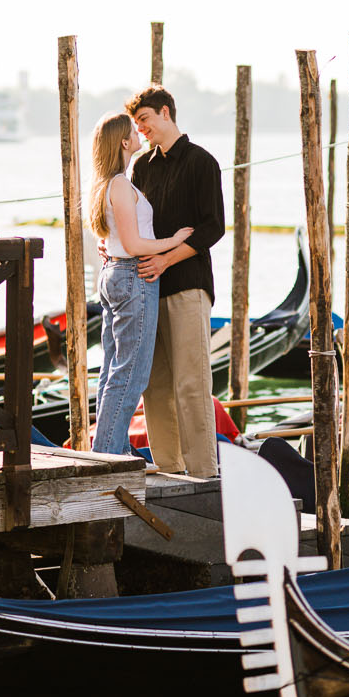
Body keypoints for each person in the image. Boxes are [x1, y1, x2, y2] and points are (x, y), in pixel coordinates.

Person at [125, 87, 226, 478]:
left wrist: (166, 260)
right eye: (137, 123)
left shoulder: (203, 162)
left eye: (145, 119)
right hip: (148, 288)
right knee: (156, 384)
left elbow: (212, 227)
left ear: (165, 113)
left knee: (191, 382)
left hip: (187, 284)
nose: (141, 128)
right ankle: (168, 468)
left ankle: (203, 473)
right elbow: (134, 224)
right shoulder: (141, 168)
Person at [87, 111, 192, 455]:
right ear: (122, 142)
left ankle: (108, 447)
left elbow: (116, 239)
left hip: (114, 276)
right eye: (134, 131)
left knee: (112, 370)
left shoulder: (109, 183)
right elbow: (134, 245)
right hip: (133, 276)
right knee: (130, 374)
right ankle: (109, 454)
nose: (140, 134)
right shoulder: (118, 183)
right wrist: (173, 241)